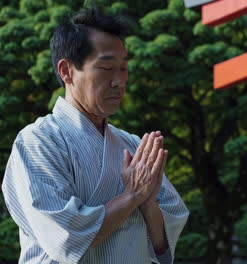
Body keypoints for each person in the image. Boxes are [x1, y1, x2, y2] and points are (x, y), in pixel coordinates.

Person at [1, 6, 189, 264]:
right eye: (106, 68)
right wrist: (132, 196)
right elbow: (65, 236)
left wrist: (147, 202)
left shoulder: (133, 145)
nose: (119, 81)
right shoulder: (38, 141)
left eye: (123, 68)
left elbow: (163, 246)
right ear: (67, 71)